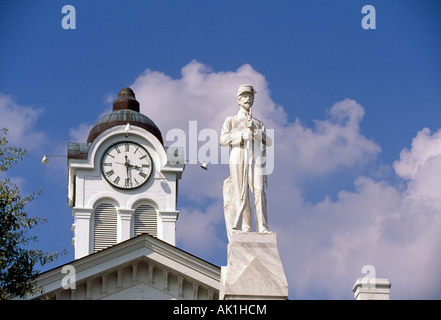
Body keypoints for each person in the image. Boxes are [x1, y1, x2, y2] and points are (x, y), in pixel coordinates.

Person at [220, 85, 272, 237]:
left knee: (259, 190)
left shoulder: (258, 123)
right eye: (245, 96)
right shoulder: (231, 120)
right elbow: (223, 140)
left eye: (251, 96)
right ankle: (246, 226)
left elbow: (268, 141)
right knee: (241, 192)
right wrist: (241, 136)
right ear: (239, 99)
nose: (248, 99)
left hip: (255, 156)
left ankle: (262, 226)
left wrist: (255, 132)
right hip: (238, 154)